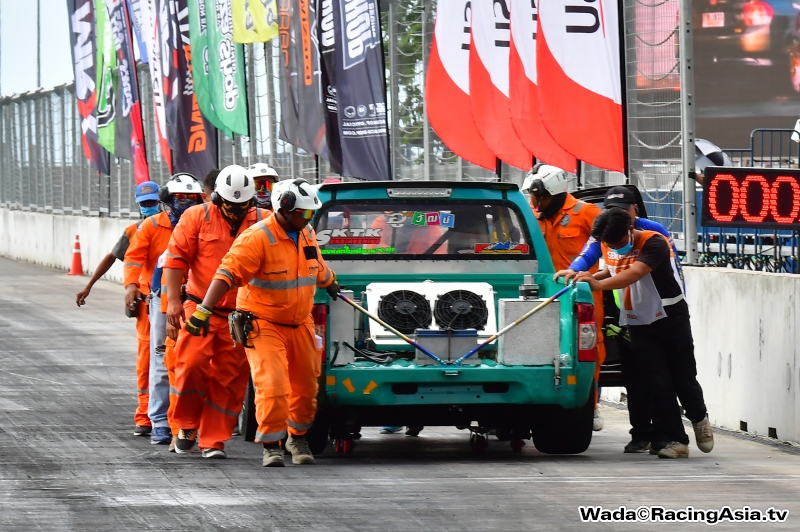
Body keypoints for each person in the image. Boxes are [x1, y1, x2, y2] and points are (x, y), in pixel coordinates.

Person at [193, 178, 338, 467]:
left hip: (301, 323)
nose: (309, 218)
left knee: (306, 389)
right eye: (305, 213)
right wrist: (204, 309)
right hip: (263, 324)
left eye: (312, 213)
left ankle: (297, 437)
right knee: (273, 386)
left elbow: (315, 265)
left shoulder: (306, 233)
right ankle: (272, 445)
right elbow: (227, 274)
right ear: (285, 209)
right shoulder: (256, 238)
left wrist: (330, 281)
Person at [573, 208, 714, 459]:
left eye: (618, 243)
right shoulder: (609, 243)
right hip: (638, 323)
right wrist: (585, 276)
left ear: (630, 229)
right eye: (609, 245)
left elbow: (635, 272)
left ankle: (699, 417)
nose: (614, 248)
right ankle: (676, 440)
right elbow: (613, 269)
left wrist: (598, 284)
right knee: (657, 383)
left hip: (671, 319)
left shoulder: (654, 243)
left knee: (684, 379)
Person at [553, 186, 684, 453]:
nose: (620, 214)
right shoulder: (605, 232)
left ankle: (665, 434)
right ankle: (640, 433)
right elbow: (588, 254)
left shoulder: (654, 233)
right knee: (634, 378)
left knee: (661, 378)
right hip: (621, 314)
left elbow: (674, 273)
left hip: (655, 313)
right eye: (613, 210)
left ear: (635, 209)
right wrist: (574, 270)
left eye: (624, 210)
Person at [165, 165, 268, 459]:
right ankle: (187, 425)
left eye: (242, 206)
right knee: (191, 365)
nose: (236, 212)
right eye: (230, 206)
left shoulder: (264, 221)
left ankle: (213, 440)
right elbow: (176, 259)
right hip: (198, 307)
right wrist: (173, 301)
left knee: (229, 380)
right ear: (217, 198)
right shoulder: (196, 217)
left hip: (241, 315)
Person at [522, 164, 606, 431]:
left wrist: (600, 275)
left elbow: (611, 244)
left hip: (582, 295)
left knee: (590, 350)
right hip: (541, 295)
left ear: (548, 193)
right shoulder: (532, 216)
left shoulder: (587, 213)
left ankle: (590, 407)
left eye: (536, 196)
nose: (533, 202)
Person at [75, 181, 161, 437]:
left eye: (152, 202)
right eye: (144, 204)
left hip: (176, 301)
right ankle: (144, 416)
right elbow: (112, 256)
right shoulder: (134, 231)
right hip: (147, 305)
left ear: (160, 201)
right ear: (138, 205)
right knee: (147, 360)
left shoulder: (178, 227)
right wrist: (89, 285)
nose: (149, 207)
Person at [124, 173, 202, 444]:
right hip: (162, 298)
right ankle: (158, 420)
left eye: (190, 197)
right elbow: (132, 257)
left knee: (193, 361)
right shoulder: (151, 225)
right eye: (180, 197)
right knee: (160, 358)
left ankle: (188, 421)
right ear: (168, 199)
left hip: (198, 298)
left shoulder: (205, 223)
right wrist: (131, 286)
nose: (185, 202)